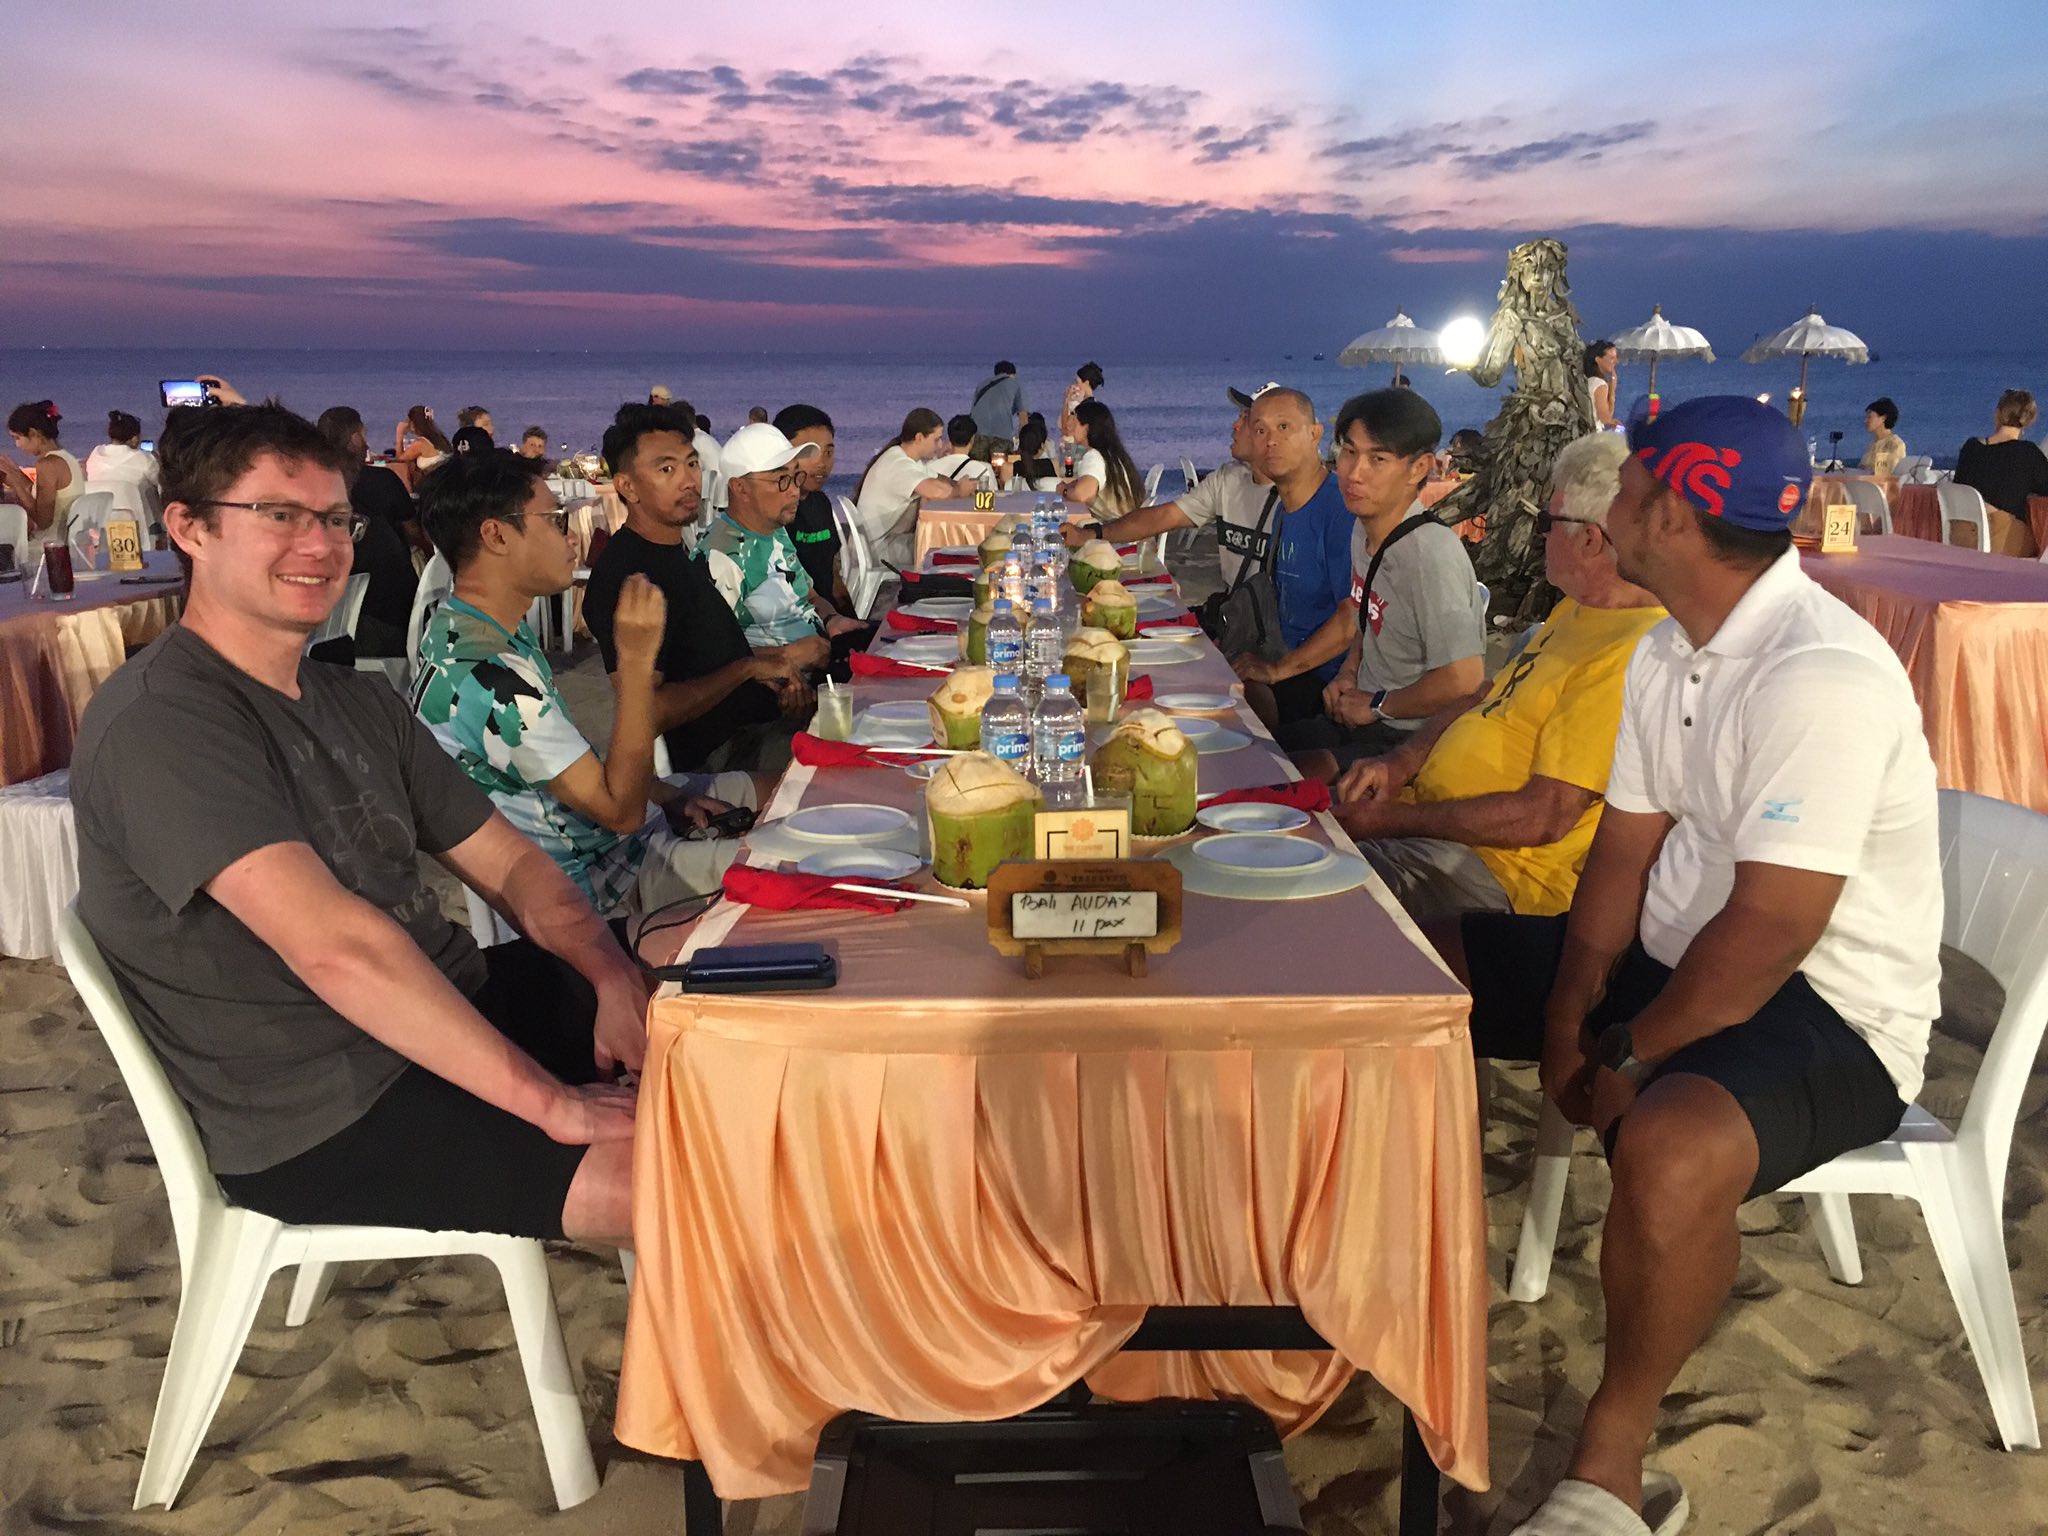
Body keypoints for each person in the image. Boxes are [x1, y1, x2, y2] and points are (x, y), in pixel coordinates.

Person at [1455, 397, 1939, 1535]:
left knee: (1669, 1151)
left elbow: (1771, 928)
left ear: (1670, 516)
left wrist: (1629, 1052)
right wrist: (1569, 1012)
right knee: (1416, 969)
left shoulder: (1817, 673)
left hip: (1829, 1006)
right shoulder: (1672, 645)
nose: (1605, 511)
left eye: (1625, 492)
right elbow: (1624, 850)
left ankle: (1611, 1466)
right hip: (1679, 954)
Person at [70, 400, 645, 1245]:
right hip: (326, 1104)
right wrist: (550, 1103)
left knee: (709, 977)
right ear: (189, 529)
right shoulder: (163, 722)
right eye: (279, 515)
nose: (320, 545)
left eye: (337, 519)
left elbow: (513, 866)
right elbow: (338, 949)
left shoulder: (356, 699)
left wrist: (608, 974)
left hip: (453, 1006)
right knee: (707, 1183)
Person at [1328, 433, 1665, 923]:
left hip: (1497, 870)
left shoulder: (1629, 653)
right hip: (1427, 819)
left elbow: (1544, 817)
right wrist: (1401, 763)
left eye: (1547, 521)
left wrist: (1392, 820)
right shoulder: (1577, 610)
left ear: (1590, 539)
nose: (1539, 535)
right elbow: (1482, 697)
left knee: (1310, 885)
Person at [411, 450, 757, 918]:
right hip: (597, 890)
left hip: (608, 841)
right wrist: (636, 664)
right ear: (496, 535)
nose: (572, 535)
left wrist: (666, 795)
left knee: (773, 791)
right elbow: (622, 813)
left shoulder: (463, 630)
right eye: (555, 521)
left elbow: (572, 776)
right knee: (793, 860)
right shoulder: (491, 678)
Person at [582, 405, 812, 773]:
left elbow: (704, 655)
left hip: (762, 721)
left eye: (692, 463)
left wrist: (769, 667)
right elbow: (646, 712)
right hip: (726, 754)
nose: (689, 480)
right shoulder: (629, 578)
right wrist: (745, 670)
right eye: (666, 469)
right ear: (627, 486)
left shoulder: (673, 554)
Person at [1278, 388, 1485, 764]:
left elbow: (1464, 679)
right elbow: (1368, 615)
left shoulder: (1430, 555)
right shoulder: (1363, 529)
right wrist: (1349, 671)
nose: (1354, 473)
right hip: (1361, 714)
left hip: (1409, 739)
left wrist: (1377, 705)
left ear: (1419, 468)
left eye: (1378, 459)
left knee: (1281, 777)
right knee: (1250, 745)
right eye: (1349, 452)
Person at [1223, 388, 1356, 724]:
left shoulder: (1340, 511)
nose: (1271, 441)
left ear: (1315, 434)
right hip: (1285, 657)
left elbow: (1351, 618)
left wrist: (1277, 671)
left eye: (1284, 427)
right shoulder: (1285, 509)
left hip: (1330, 684)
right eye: (1260, 430)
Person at [1063, 387, 1269, 582]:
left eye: (1246, 418)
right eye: (1239, 416)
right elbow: (1163, 517)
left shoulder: (1285, 497)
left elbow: (1083, 493)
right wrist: (1091, 534)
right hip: (1236, 601)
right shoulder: (1227, 478)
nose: (1235, 425)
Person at [701, 422, 874, 653]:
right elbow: (711, 657)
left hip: (823, 650)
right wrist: (789, 656)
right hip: (788, 673)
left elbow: (809, 597)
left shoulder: (774, 531)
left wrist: (832, 619)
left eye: (795, 477)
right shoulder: (720, 557)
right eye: (781, 479)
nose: (794, 490)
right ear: (740, 488)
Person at [314, 406, 421, 658]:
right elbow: (414, 532)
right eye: (363, 436)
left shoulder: (314, 490)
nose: (367, 443)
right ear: (354, 439)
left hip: (336, 623)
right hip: (390, 617)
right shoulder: (382, 482)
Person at [853, 409, 975, 569]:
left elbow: (939, 479)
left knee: (942, 544)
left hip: (885, 541)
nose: (940, 446)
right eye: (936, 439)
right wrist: (959, 491)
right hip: (878, 549)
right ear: (919, 438)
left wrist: (958, 485)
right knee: (941, 549)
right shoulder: (898, 464)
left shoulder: (908, 460)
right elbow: (937, 491)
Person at [1953, 389, 2048, 558]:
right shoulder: (2027, 453)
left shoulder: (1970, 447)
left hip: (1961, 535)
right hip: (2001, 539)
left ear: (1997, 413)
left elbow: (1958, 487)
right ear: (2029, 419)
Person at [772, 403, 847, 606]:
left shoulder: (820, 503)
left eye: (828, 453)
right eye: (809, 452)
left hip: (826, 612)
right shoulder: (773, 513)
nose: (821, 463)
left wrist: (850, 615)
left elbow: (833, 575)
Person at [2, 400, 86, 534]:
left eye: (17, 438)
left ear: (33, 433)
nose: (17, 445)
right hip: (68, 538)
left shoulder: (47, 465)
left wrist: (17, 485)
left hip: (50, 542)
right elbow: (42, 494)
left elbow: (43, 522)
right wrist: (16, 473)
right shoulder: (66, 458)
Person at [1061, 399, 1142, 522]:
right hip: (1126, 522)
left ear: (1086, 429)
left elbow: (1083, 494)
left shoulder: (1094, 456)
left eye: (1075, 422)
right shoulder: (1112, 455)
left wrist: (1064, 491)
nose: (1071, 427)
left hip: (1113, 527)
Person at [967, 359, 1028, 459]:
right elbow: (1023, 418)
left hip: (977, 435)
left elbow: (973, 411)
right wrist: (1023, 445)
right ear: (1012, 374)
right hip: (1002, 436)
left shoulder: (982, 385)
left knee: (978, 465)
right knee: (1000, 467)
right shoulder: (1016, 384)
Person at [85, 410, 159, 490]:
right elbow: (161, 483)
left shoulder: (95, 455)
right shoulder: (143, 459)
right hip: (132, 498)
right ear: (135, 438)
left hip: (98, 498)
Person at [393, 405, 450, 490]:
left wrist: (399, 434)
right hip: (442, 481)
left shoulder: (421, 443)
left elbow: (400, 459)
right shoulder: (440, 439)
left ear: (413, 423)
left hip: (432, 486)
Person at [999, 412, 1058, 491]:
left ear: (1020, 445)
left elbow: (1002, 491)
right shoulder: (1054, 465)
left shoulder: (1007, 468)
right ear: (1042, 446)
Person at [931, 415, 994, 486]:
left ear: (949, 439)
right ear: (972, 439)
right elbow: (993, 492)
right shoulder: (984, 469)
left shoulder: (931, 467)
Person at [1059, 361, 1105, 448]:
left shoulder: (1081, 408)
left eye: (1077, 382)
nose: (1075, 385)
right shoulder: (1096, 406)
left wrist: (1067, 400)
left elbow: (1066, 429)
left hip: (1076, 450)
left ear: (1086, 383)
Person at [1859, 397, 1906, 477]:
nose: (1865, 421)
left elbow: (1885, 473)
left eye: (1869, 417)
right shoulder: (1873, 444)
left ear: (1883, 418)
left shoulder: (1894, 444)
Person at [1584, 341, 1621, 431]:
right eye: (1611, 358)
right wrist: (1612, 391)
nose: (1616, 361)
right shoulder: (1600, 385)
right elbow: (1605, 419)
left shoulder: (1588, 381)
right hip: (1594, 433)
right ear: (1598, 359)